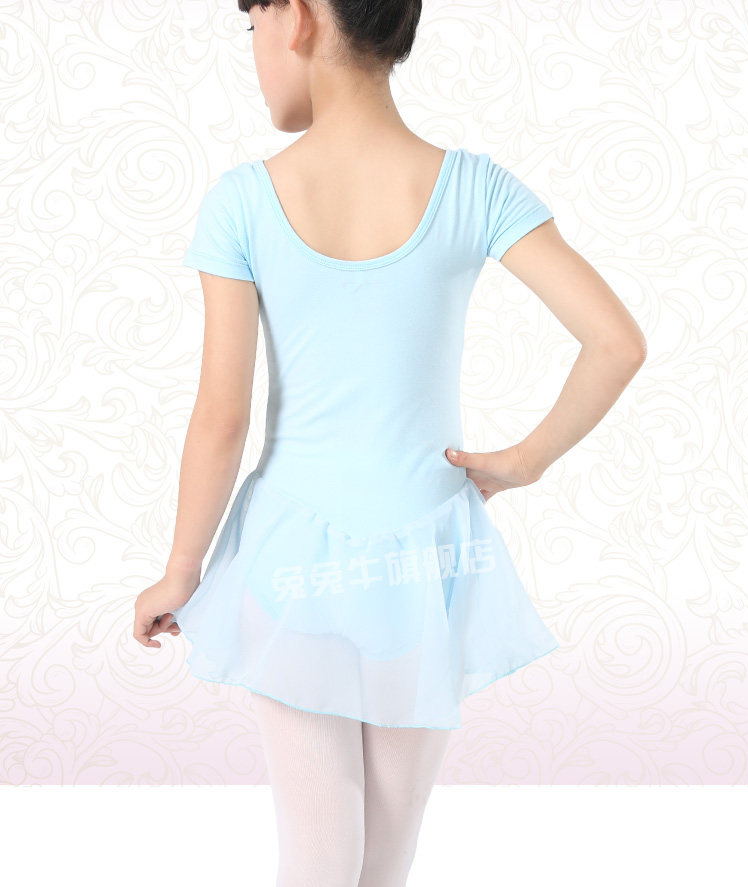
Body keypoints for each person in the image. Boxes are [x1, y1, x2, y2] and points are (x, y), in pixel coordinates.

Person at [133, 0, 647, 884]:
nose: (254, 50)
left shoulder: (244, 201)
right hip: (427, 559)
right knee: (384, 861)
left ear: (296, 19)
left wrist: (182, 569)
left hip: (292, 555)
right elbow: (617, 343)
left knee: (316, 857)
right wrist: (523, 461)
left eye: (251, 26)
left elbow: (222, 415)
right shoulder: (475, 187)